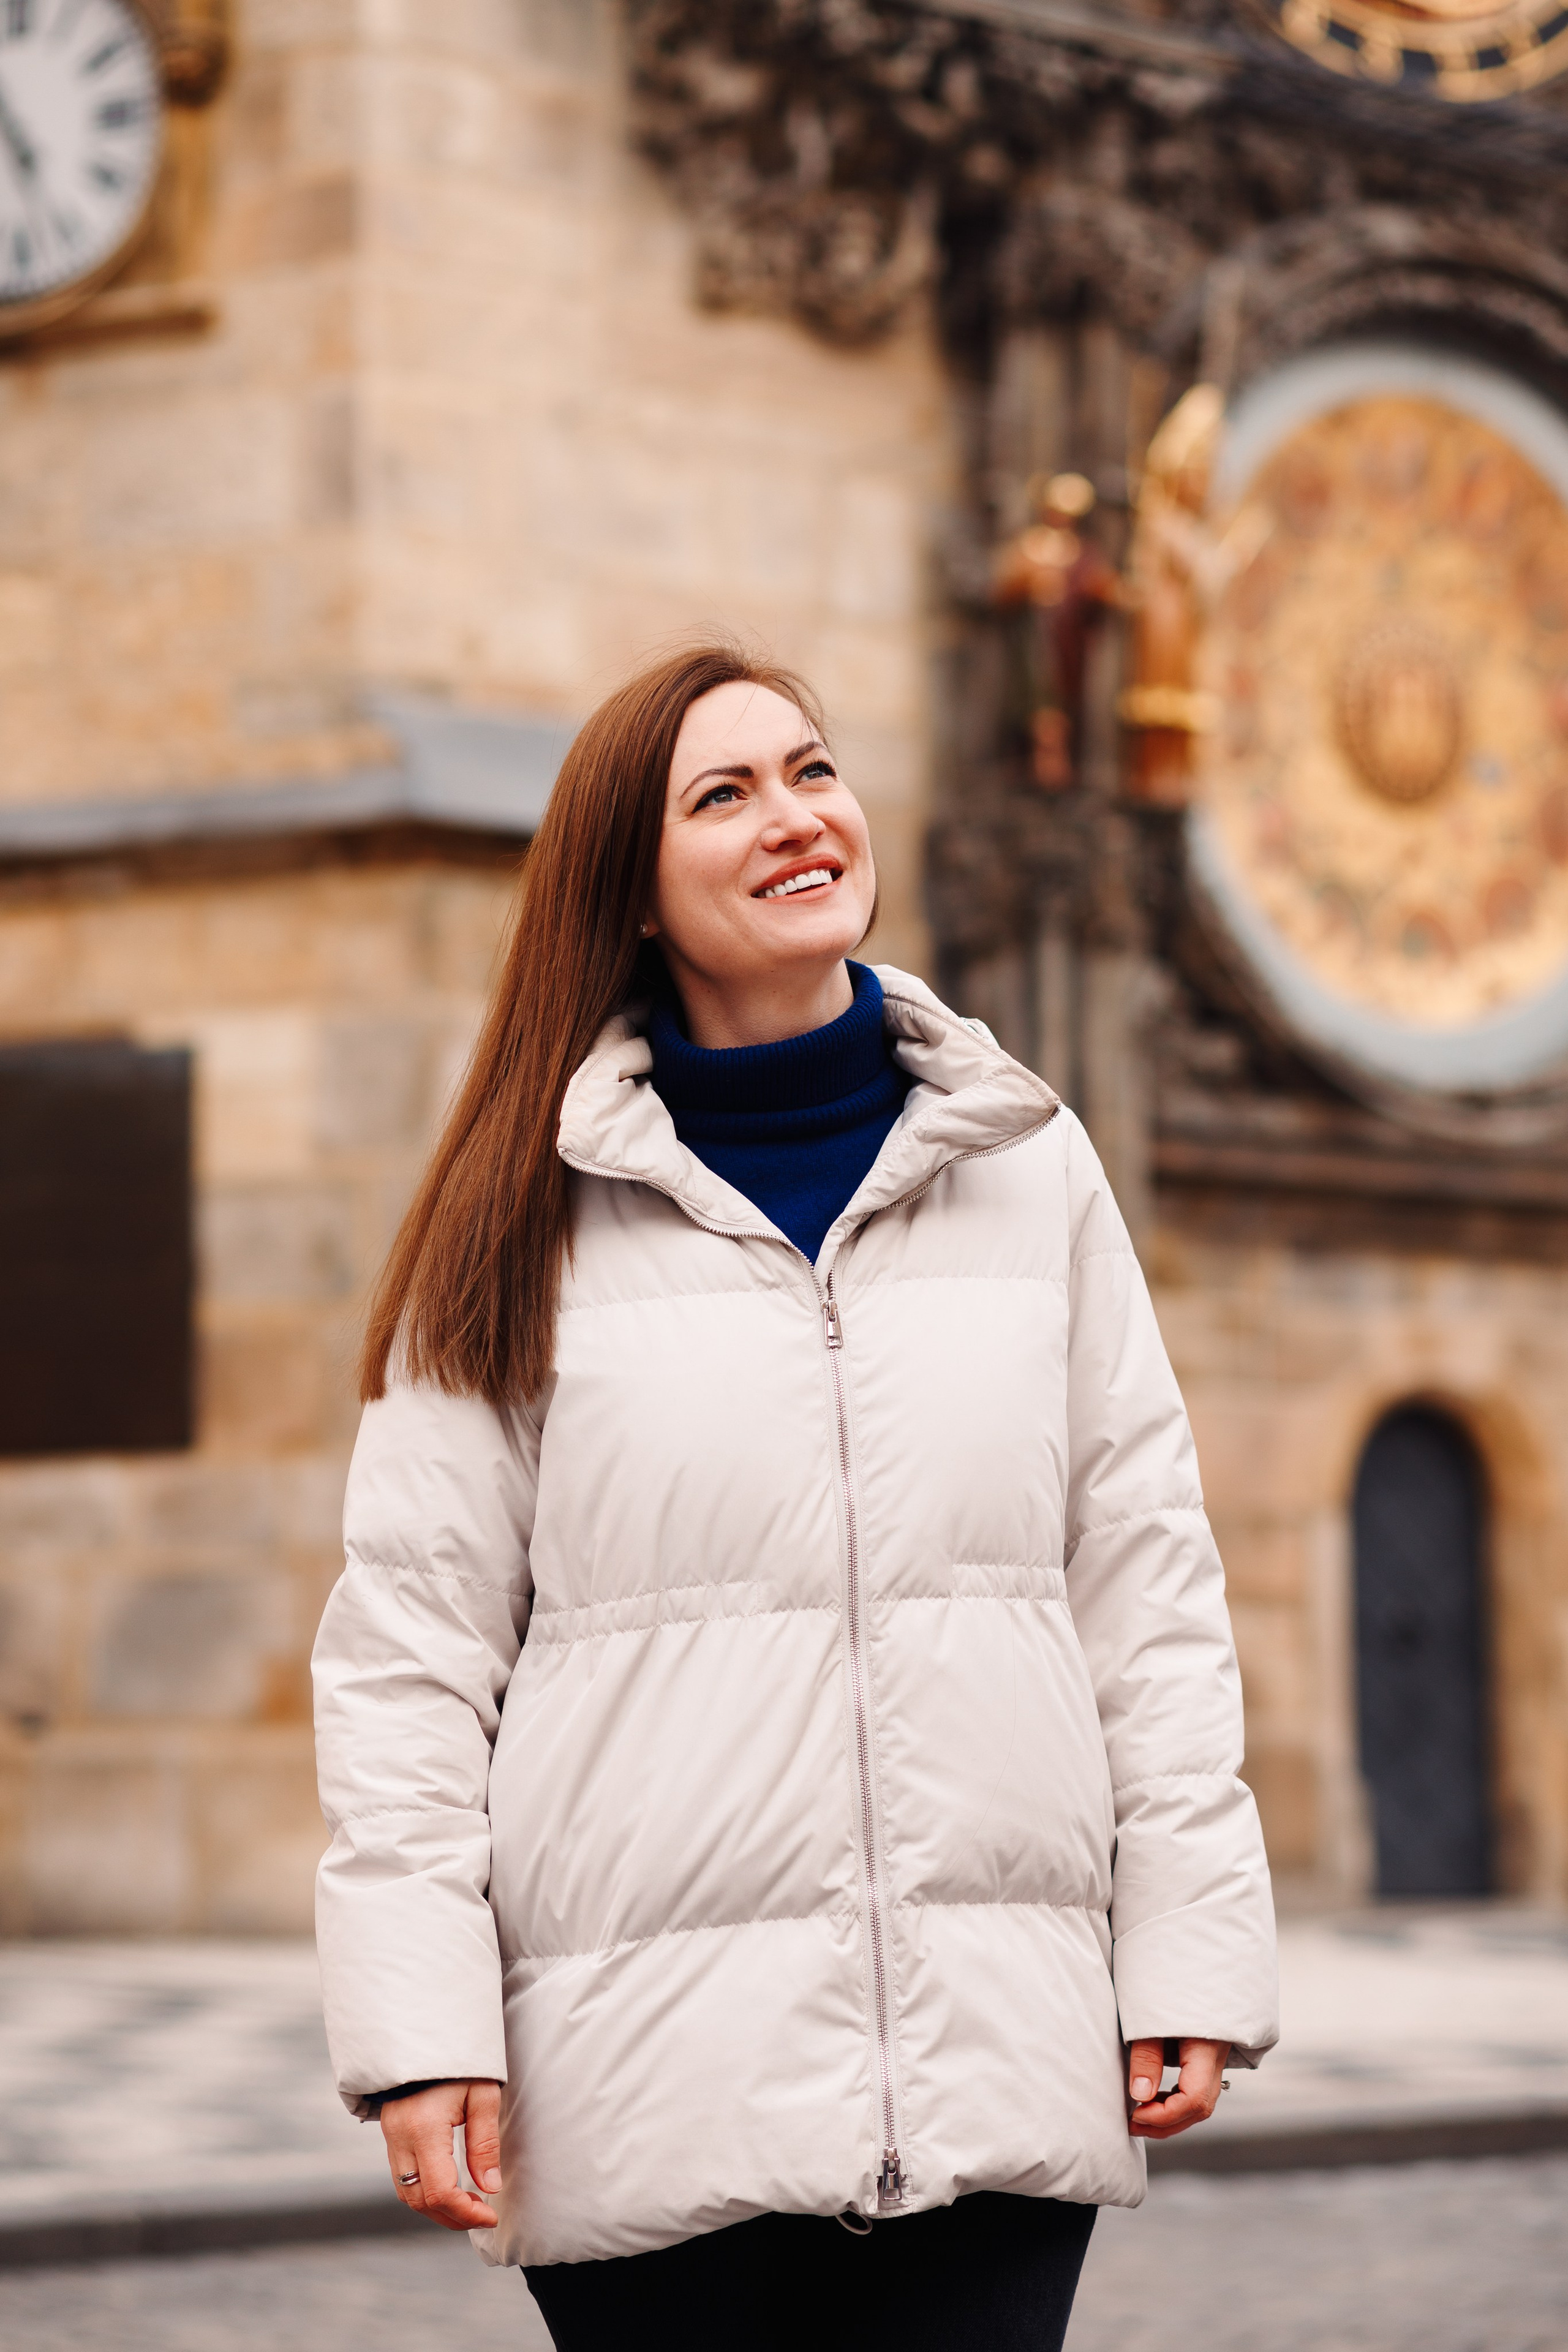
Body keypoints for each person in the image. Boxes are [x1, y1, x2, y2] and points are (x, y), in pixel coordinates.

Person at [312, 643, 1279, 2351]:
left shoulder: (1024, 1161)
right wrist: (422, 2024)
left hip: (993, 2056)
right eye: (724, 794)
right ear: (630, 893)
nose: (794, 817)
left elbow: (1143, 1577)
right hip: (646, 2068)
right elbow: (409, 1655)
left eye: (812, 770)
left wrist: (1192, 1947)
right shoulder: (515, 1210)